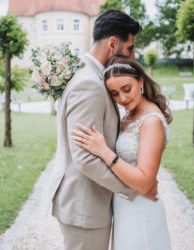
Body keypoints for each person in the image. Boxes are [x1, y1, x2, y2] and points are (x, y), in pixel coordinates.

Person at [47, 9, 158, 250]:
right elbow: (84, 158)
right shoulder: (89, 83)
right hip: (84, 206)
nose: (133, 54)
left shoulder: (92, 77)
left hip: (87, 204)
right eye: (129, 48)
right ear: (113, 43)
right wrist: (133, 190)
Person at [71, 55, 173, 250]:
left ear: (141, 81)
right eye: (115, 94)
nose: (122, 98)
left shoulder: (151, 121)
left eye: (127, 89)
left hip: (141, 210)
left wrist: (103, 151)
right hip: (124, 206)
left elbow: (144, 183)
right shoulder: (129, 114)